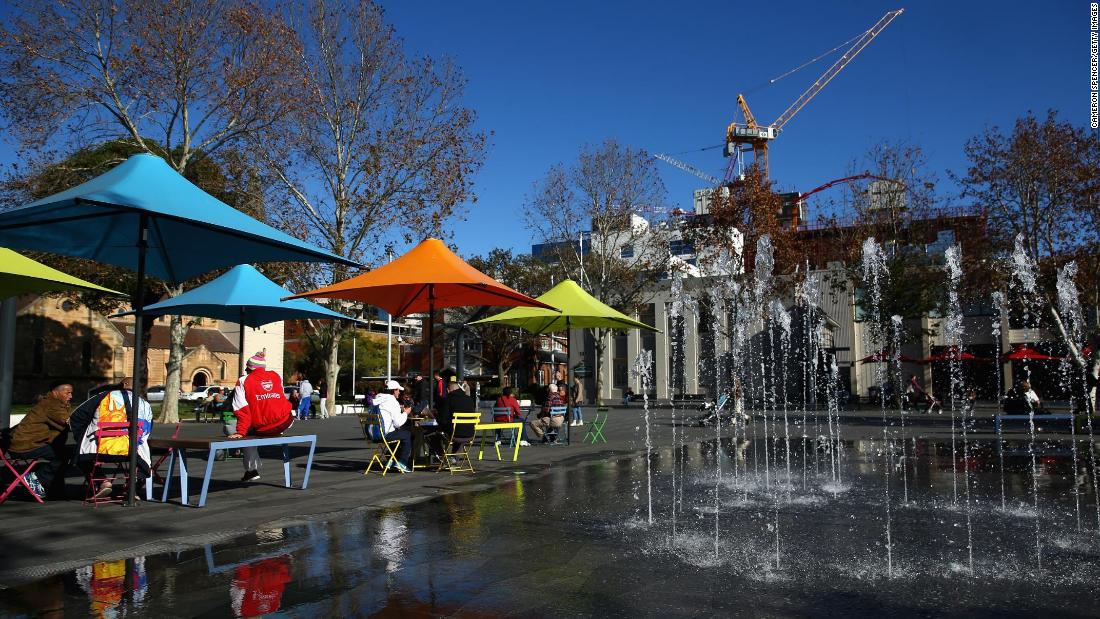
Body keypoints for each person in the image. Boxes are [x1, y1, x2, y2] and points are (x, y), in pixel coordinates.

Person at [69, 377, 154, 500]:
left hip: (99, 449)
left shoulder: (105, 396)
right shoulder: (145, 404)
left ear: (124, 384)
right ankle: (132, 487)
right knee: (145, 452)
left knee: (79, 453)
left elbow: (77, 416)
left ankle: (102, 482)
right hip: (134, 453)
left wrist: (81, 437)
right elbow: (148, 430)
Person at [228, 351, 294, 482]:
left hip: (266, 427)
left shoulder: (243, 381)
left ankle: (251, 470)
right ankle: (251, 470)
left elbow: (241, 409)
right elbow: (278, 398)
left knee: (247, 436)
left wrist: (240, 432)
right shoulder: (276, 376)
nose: (245, 370)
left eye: (247, 368)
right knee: (258, 425)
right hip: (287, 420)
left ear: (250, 368)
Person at [6, 381, 74, 500]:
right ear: (55, 392)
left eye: (71, 393)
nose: (71, 396)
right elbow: (68, 422)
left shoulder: (53, 403)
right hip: (25, 446)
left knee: (64, 452)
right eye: (67, 392)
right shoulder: (51, 405)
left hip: (29, 444)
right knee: (66, 454)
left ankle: (55, 490)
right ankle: (36, 479)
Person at [428, 378, 477, 457]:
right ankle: (453, 458)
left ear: (448, 390)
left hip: (455, 435)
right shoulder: (469, 399)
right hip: (470, 434)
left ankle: (442, 456)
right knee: (458, 428)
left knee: (430, 435)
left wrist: (433, 415)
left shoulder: (448, 399)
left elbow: (443, 420)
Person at [373, 380, 412, 472]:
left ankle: (392, 459)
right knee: (407, 434)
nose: (399, 392)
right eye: (398, 390)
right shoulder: (392, 401)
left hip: (373, 434)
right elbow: (398, 423)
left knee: (397, 434)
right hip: (384, 434)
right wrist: (405, 413)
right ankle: (402, 462)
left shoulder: (377, 398)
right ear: (394, 390)